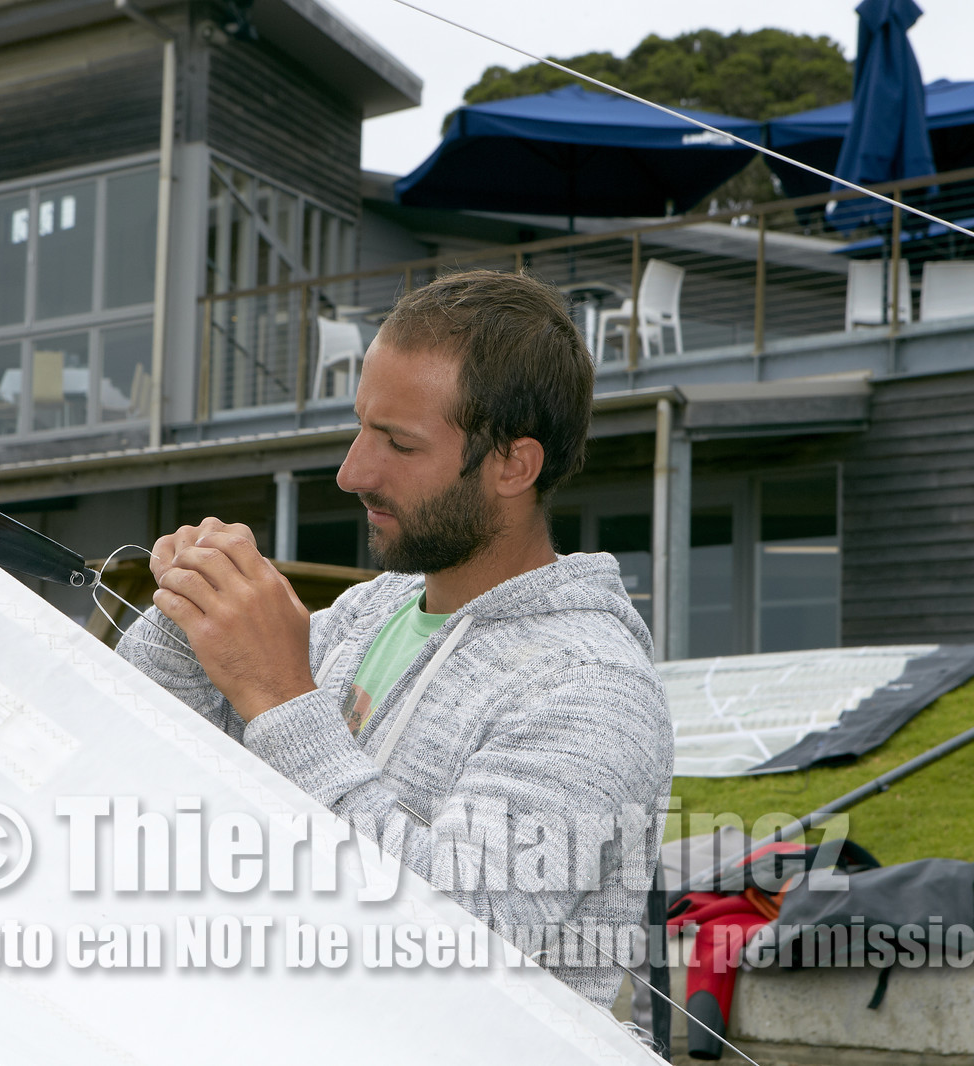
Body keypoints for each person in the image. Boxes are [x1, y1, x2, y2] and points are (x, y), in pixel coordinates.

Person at [116, 270, 672, 1008]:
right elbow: (140, 770)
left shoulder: (591, 689)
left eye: (398, 444)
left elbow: (457, 940)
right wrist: (186, 623)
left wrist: (282, 699)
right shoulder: (366, 613)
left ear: (514, 465)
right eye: (360, 426)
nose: (352, 472)